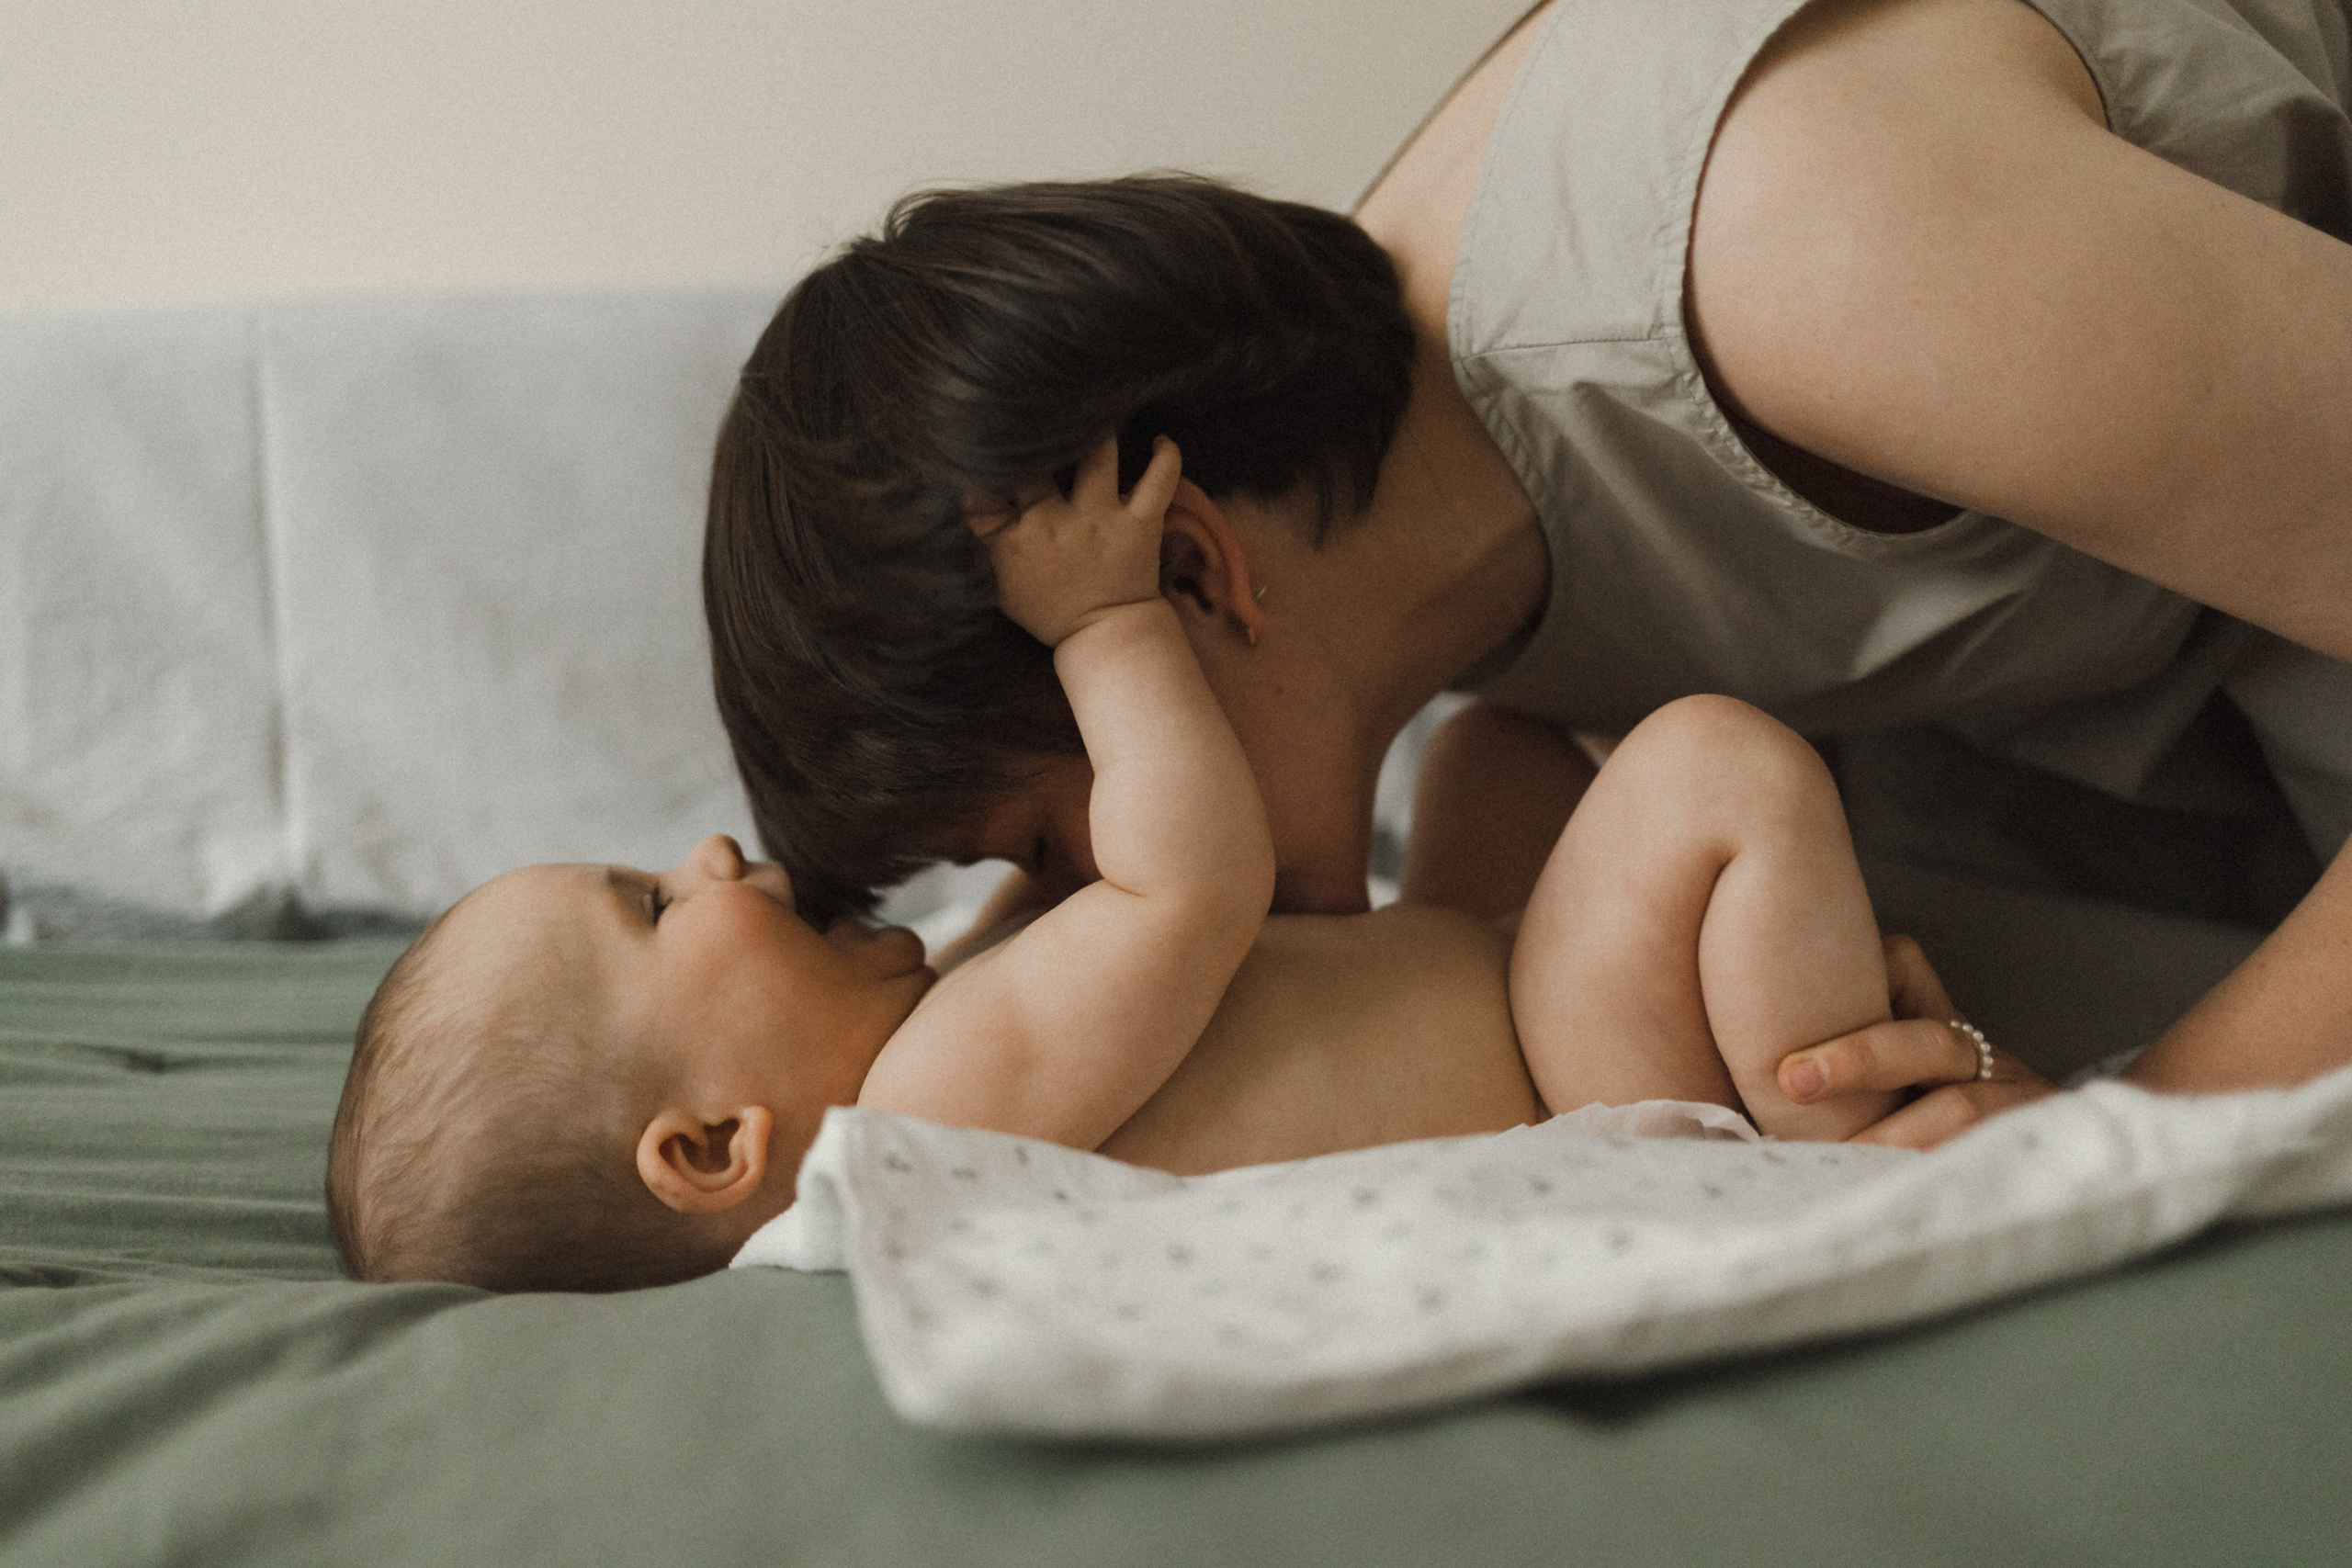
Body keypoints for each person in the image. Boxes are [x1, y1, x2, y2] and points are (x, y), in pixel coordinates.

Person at [704, 0, 2352, 1149]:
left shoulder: (1794, 248)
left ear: (1186, 574)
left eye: (1051, 848)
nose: (1069, 931)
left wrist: (2127, 1150)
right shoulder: (1435, 567)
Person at [327, 439, 1946, 1292]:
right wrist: (1102, 624)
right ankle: (1862, 1144)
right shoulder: (926, 1114)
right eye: (658, 905)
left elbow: (1098, 913)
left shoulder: (954, 1028)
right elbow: (1185, 886)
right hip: (1572, 1079)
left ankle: (1806, 1032)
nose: (710, 853)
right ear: (709, 1148)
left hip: (1482, 976)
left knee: (1496, 747)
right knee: (1713, 765)